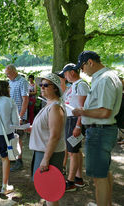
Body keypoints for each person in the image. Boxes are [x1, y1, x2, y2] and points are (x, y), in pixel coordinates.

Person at [72, 51, 122, 206]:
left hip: (100, 131)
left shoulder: (105, 79)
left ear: (90, 62)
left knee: (98, 178)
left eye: (82, 67)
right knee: (104, 173)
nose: (82, 71)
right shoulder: (106, 76)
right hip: (102, 130)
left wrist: (82, 112)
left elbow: (104, 111)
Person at [29, 73, 66, 206]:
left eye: (45, 85)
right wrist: (33, 129)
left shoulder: (55, 107)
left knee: (51, 192)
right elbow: (47, 128)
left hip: (50, 154)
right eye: (41, 85)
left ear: (55, 88)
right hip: (43, 151)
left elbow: (55, 135)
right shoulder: (49, 104)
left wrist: (45, 158)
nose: (42, 88)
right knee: (46, 191)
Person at [59, 63, 90, 191]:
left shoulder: (81, 85)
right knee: (75, 151)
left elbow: (83, 108)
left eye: (65, 74)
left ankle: (70, 181)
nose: (65, 77)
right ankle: (78, 179)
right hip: (70, 120)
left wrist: (78, 125)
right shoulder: (73, 85)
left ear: (72, 72)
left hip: (74, 121)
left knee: (73, 152)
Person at [5, 64, 29, 172]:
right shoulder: (10, 82)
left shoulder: (22, 81)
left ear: (14, 72)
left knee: (18, 138)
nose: (7, 76)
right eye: (6, 74)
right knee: (11, 137)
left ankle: (19, 161)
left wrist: (21, 115)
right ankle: (13, 157)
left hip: (19, 115)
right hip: (10, 114)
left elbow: (25, 99)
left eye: (8, 74)